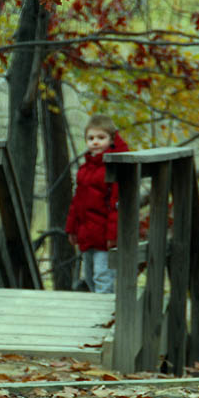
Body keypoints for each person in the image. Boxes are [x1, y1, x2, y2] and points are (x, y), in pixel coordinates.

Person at [66, 114, 129, 293]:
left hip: (104, 237)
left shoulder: (114, 168)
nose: (95, 142)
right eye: (91, 138)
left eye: (101, 138)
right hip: (86, 235)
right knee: (90, 278)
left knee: (103, 276)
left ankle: (106, 318)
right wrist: (71, 229)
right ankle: (98, 313)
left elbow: (116, 205)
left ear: (111, 140)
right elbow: (76, 203)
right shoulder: (84, 170)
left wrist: (112, 235)